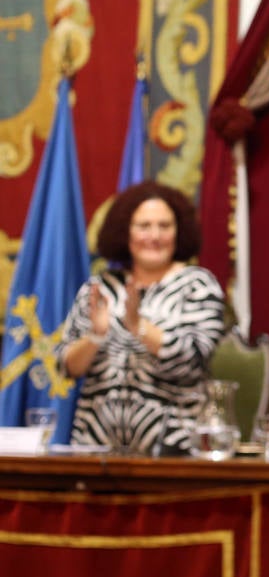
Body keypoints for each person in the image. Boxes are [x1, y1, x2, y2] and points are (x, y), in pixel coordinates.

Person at [56, 181, 226, 455]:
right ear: (125, 232)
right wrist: (95, 336)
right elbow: (67, 368)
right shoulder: (99, 287)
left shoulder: (198, 285)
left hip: (173, 450)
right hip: (94, 446)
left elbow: (193, 362)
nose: (154, 235)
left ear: (179, 231)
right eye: (144, 226)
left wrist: (138, 327)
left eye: (165, 226)